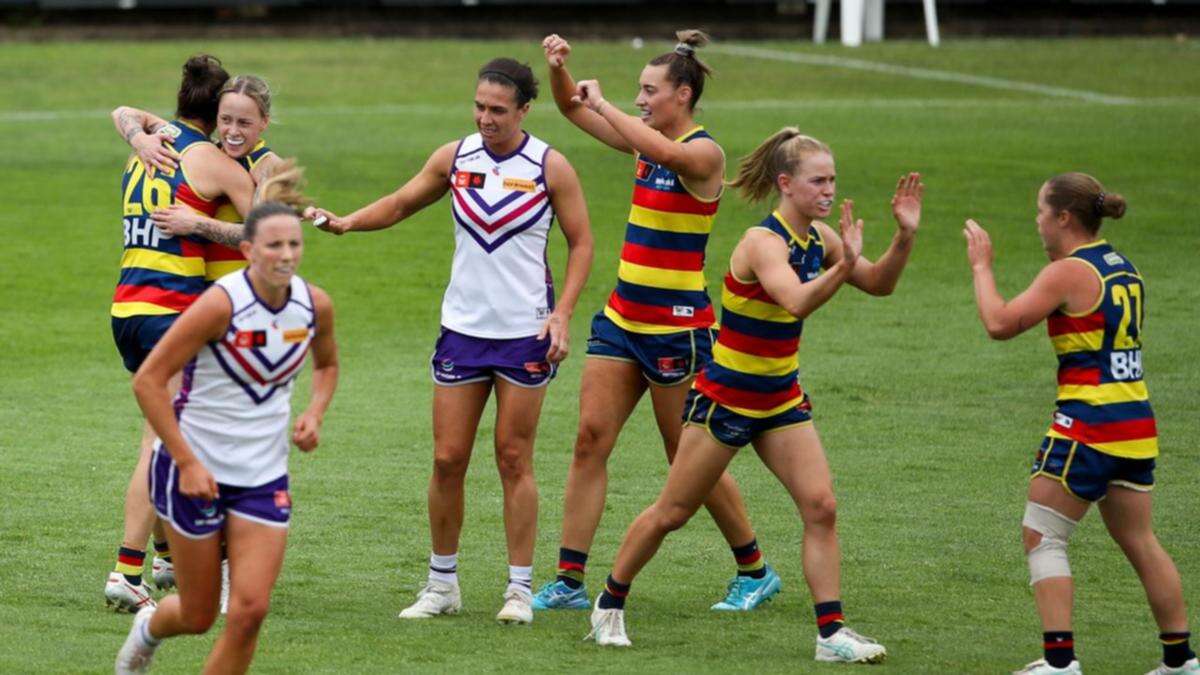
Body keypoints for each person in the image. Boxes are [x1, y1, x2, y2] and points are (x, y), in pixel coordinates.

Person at [585, 130, 920, 664]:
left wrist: (903, 237)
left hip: (781, 399)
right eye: (818, 181)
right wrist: (841, 265)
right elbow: (796, 301)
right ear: (786, 185)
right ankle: (609, 601)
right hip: (728, 399)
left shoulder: (822, 239)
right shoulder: (763, 242)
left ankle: (831, 634)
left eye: (832, 180)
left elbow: (879, 283)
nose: (829, 190)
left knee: (821, 506)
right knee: (673, 512)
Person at [307, 57, 593, 625]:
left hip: (524, 332)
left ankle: (518, 589)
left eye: (498, 110)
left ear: (524, 111)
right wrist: (346, 223)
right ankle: (442, 586)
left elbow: (582, 243)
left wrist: (561, 315)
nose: (485, 118)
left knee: (514, 458)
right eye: (479, 106)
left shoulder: (549, 166)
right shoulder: (454, 157)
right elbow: (401, 202)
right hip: (462, 329)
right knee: (446, 459)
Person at [532, 29, 780, 614]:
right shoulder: (647, 140)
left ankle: (755, 569)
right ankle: (569, 579)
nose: (640, 99)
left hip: (676, 330)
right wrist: (561, 70)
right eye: (638, 91)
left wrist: (605, 105)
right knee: (590, 441)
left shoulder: (702, 153)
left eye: (649, 91)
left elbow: (664, 151)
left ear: (683, 95)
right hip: (621, 319)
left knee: (687, 457)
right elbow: (570, 108)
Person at [963, 173, 1195, 675]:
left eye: (1041, 213)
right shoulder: (1123, 266)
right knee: (1140, 539)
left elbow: (1000, 323)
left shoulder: (1068, 272)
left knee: (1042, 534)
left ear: (1064, 217)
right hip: (1135, 423)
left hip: (1088, 424)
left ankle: (1059, 661)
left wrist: (982, 267)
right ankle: (1180, 660)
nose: (1038, 223)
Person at [114, 190, 339, 675]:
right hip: (192, 472)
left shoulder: (314, 304)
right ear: (247, 250)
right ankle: (149, 629)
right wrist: (188, 463)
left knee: (249, 612)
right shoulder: (220, 306)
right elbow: (148, 381)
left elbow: (328, 366)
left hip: (263, 478)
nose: (286, 256)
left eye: (294, 245)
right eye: (274, 246)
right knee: (196, 615)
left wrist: (315, 413)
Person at [113, 74, 283, 600]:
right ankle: (131, 570)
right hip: (180, 313)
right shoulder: (198, 155)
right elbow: (124, 110)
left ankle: (170, 561)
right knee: (171, 440)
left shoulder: (267, 166)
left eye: (244, 122)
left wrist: (197, 223)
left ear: (263, 124)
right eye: (226, 119)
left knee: (182, 439)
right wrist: (137, 133)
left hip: (197, 316)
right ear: (214, 116)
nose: (232, 130)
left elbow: (270, 236)